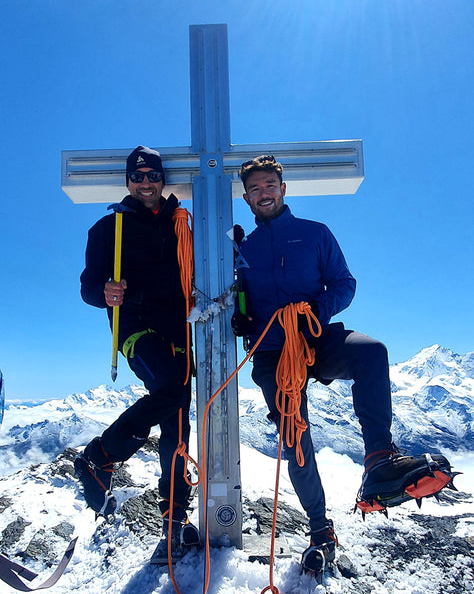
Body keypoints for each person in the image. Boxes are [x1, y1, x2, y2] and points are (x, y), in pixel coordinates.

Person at [232, 155, 454, 574]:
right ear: (246, 198)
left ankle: (379, 462)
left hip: (316, 336)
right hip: (272, 352)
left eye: (270, 185)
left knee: (372, 352)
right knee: (296, 438)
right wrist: (240, 316)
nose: (264, 193)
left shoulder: (315, 234)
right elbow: (232, 295)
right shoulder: (243, 249)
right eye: (256, 188)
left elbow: (344, 283)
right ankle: (320, 531)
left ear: (283, 188)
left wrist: (317, 308)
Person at [75, 145, 199, 564]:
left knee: (176, 425)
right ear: (128, 182)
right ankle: (101, 455)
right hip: (136, 329)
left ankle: (173, 523)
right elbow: (89, 286)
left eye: (152, 176)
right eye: (138, 176)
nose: (146, 183)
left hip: (179, 331)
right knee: (170, 387)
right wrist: (103, 293)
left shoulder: (183, 225)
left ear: (162, 180)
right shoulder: (108, 228)